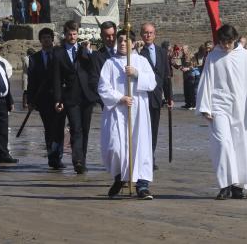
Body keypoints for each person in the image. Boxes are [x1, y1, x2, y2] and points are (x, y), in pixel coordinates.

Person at [197, 24, 247, 200]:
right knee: (223, 143)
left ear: (234, 39)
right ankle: (225, 184)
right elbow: (206, 80)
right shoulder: (213, 56)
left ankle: (238, 186)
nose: (226, 46)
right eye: (222, 42)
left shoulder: (244, 56)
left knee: (241, 145)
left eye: (228, 42)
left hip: (242, 106)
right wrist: (205, 106)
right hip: (219, 105)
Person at [98, 30, 156, 199]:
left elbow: (152, 82)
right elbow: (103, 87)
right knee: (115, 146)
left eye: (126, 41)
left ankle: (142, 185)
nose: (123, 43)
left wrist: (136, 74)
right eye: (120, 40)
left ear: (132, 43)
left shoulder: (141, 61)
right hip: (117, 111)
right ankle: (120, 176)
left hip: (138, 111)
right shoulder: (110, 63)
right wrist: (120, 98)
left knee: (140, 145)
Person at [52, 20, 100, 174]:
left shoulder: (83, 50)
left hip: (86, 96)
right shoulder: (58, 53)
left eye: (74, 34)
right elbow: (56, 78)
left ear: (78, 34)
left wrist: (88, 51)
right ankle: (77, 160)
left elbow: (92, 68)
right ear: (65, 35)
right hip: (70, 97)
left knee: (85, 130)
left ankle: (82, 160)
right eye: (69, 34)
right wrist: (58, 99)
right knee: (75, 128)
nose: (72, 37)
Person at [27, 27, 65, 169]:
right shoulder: (35, 58)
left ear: (52, 39)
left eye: (48, 37)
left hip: (60, 98)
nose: (46, 40)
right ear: (40, 40)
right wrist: (30, 100)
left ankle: (58, 155)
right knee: (48, 128)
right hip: (43, 100)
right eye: (43, 38)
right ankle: (51, 155)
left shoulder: (60, 54)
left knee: (60, 128)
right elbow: (32, 81)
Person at [138, 22, 172, 168]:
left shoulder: (162, 52)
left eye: (151, 32)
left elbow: (166, 76)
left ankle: (151, 156)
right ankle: (142, 157)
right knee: (142, 129)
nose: (148, 35)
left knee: (154, 128)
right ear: (141, 35)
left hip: (157, 96)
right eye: (145, 32)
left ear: (155, 34)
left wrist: (169, 97)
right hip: (143, 96)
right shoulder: (138, 52)